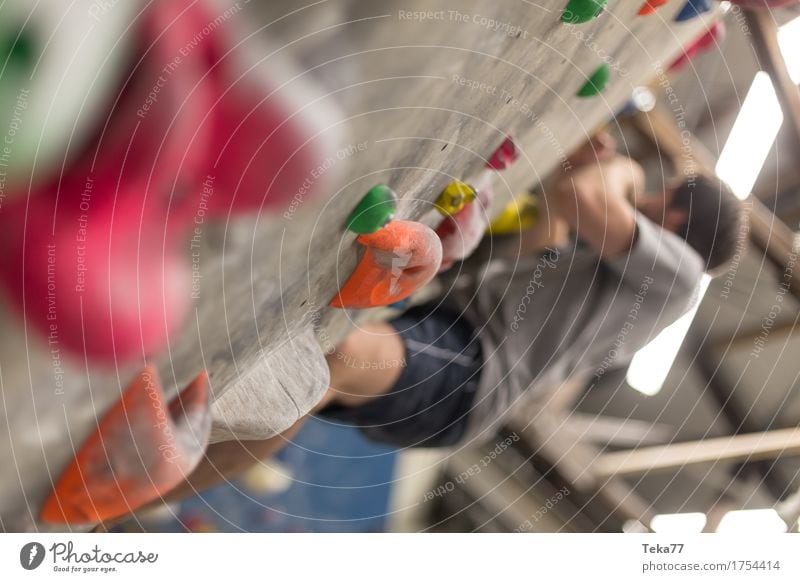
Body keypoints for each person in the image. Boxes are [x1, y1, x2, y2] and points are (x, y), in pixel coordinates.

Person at [150, 133, 743, 506]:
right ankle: (148, 484)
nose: (646, 194)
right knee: (309, 377)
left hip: (471, 374)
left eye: (659, 194)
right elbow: (552, 228)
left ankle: (148, 471)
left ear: (676, 212)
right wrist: (582, 162)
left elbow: (584, 199)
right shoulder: (627, 275)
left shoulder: (683, 276)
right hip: (459, 345)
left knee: (324, 361)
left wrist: (623, 172)